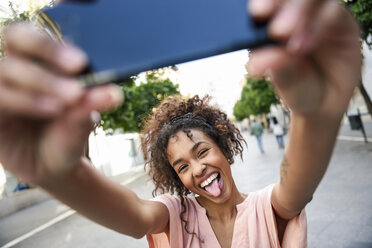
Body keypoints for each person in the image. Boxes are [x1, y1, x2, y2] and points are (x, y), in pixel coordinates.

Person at [0, 0, 361, 247]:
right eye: (182, 166)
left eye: (201, 150)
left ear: (224, 147)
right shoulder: (177, 216)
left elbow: (296, 185)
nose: (198, 169)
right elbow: (135, 215)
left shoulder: (268, 206)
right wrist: (57, 175)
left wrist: (316, 115)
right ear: (176, 179)